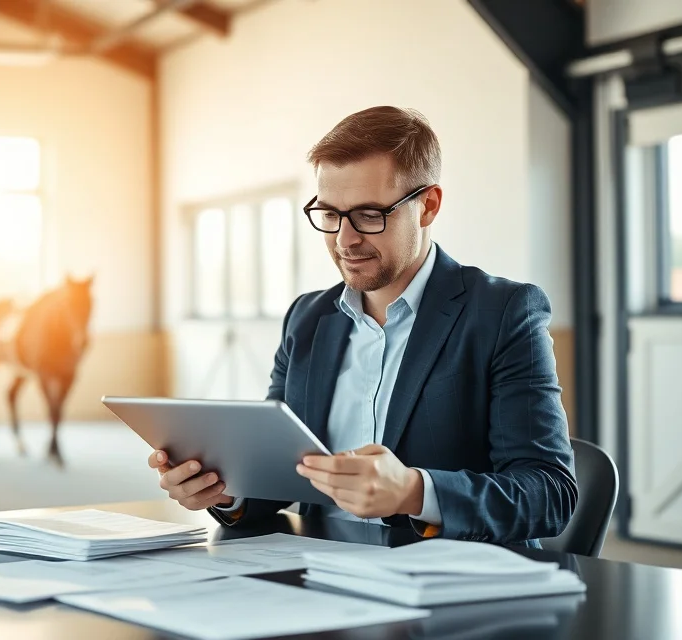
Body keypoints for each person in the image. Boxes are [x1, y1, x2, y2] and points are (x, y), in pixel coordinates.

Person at [148, 106, 577, 546]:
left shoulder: (503, 313)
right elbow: (277, 474)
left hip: (450, 588)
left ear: (428, 205)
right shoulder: (308, 319)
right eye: (330, 214)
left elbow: (550, 494)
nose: (344, 240)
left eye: (370, 215)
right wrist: (226, 491)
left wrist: (414, 492)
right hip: (322, 580)